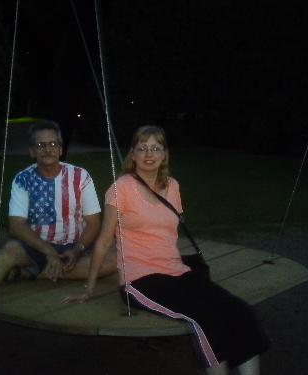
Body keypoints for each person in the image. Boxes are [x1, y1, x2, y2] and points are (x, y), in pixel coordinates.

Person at [63, 126, 269, 375]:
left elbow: (167, 231)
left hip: (177, 271)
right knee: (206, 319)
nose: (149, 154)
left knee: (239, 311)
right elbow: (104, 241)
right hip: (141, 280)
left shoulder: (172, 186)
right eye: (142, 148)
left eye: (156, 148)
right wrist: (89, 287)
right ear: (133, 154)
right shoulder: (122, 189)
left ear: (164, 154)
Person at [0, 119, 116, 324]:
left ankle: (35, 273)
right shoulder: (22, 180)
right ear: (32, 151)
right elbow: (17, 225)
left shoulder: (80, 176)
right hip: (38, 245)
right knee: (10, 251)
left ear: (60, 149)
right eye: (40, 145)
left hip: (76, 245)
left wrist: (77, 251)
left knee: (116, 257)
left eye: (52, 144)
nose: (47, 149)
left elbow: (94, 222)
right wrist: (48, 251)